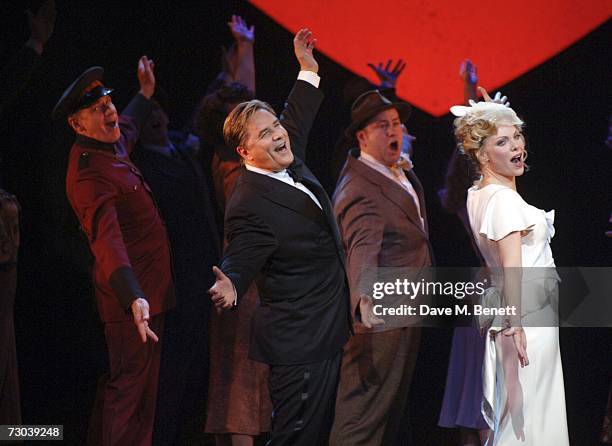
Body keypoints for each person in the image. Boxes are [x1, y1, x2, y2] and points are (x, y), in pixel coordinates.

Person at [208, 29, 351, 445]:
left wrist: (307, 70)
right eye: (265, 134)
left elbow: (297, 115)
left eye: (274, 126)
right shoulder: (248, 199)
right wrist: (231, 282)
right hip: (298, 342)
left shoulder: (285, 151)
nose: (277, 135)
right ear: (244, 152)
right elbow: (242, 250)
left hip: (324, 327)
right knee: (294, 437)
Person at [53, 57, 175, 445]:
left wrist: (144, 94)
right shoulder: (88, 173)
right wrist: (133, 296)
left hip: (151, 297)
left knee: (143, 400)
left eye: (108, 103)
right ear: (77, 124)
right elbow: (107, 241)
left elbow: (129, 125)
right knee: (126, 398)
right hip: (131, 306)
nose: (109, 112)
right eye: (97, 109)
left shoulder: (110, 139)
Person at [452, 95, 570, 445]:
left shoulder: (480, 192)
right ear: (482, 154)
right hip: (526, 318)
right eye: (502, 142)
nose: (517, 146)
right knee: (528, 418)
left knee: (523, 412)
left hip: (521, 314)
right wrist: (515, 323)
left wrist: (496, 115)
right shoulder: (502, 201)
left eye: (517, 136)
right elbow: (511, 267)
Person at [330, 89, 432, 445]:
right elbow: (361, 246)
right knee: (362, 418)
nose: (394, 132)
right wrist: (365, 300)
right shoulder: (360, 188)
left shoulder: (391, 171)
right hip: (380, 319)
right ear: (362, 136)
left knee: (388, 414)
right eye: (383, 126)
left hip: (404, 310)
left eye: (397, 124)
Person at [191, 15, 273, 446]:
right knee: (240, 383)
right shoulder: (236, 170)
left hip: (241, 279)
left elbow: (246, 102)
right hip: (244, 281)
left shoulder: (229, 157)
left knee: (238, 379)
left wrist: (245, 50)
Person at [131, 85, 221, 444]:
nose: (156, 117)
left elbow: (207, 116)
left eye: (160, 110)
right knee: (174, 365)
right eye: (147, 112)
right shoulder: (142, 166)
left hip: (204, 272)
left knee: (200, 362)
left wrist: (238, 58)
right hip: (175, 280)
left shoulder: (182, 149)